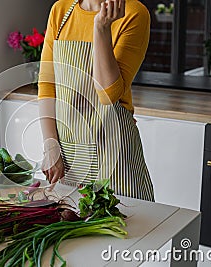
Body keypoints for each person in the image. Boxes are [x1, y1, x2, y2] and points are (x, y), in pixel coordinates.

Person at [38, 0, 154, 201]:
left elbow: (108, 94)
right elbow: (48, 87)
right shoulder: (60, 10)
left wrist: (101, 27)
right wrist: (51, 147)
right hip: (69, 157)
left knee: (128, 228)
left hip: (114, 155)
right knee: (74, 228)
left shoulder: (134, 13)